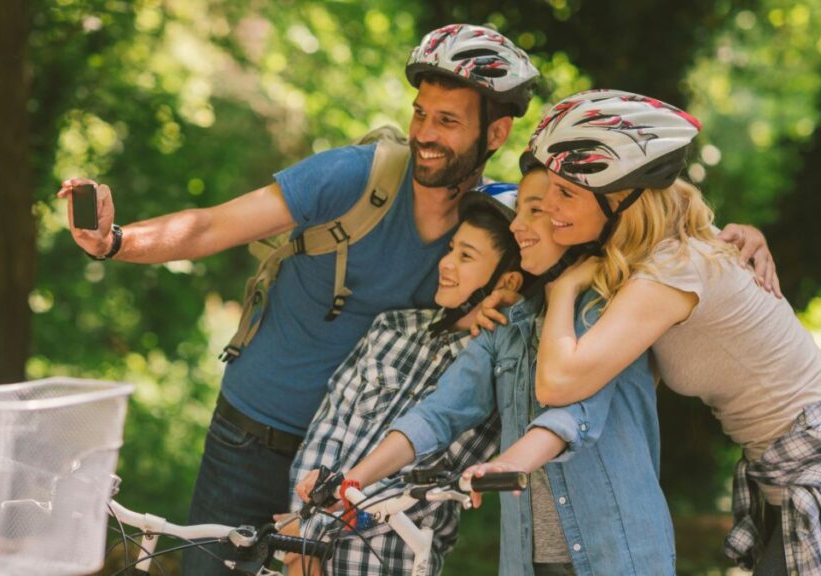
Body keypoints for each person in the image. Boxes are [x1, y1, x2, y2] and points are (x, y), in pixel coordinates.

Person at [59, 24, 541, 574]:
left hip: (355, 466)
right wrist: (115, 241)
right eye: (420, 113)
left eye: (448, 121)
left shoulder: (493, 232)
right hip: (255, 437)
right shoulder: (351, 176)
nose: (425, 133)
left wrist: (490, 306)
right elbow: (211, 226)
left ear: (497, 132)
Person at [297, 167, 676, 575]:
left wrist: (508, 463)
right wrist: (352, 480)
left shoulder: (608, 312)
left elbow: (575, 413)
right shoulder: (507, 326)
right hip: (529, 560)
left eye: (535, 211)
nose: (517, 225)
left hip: (616, 554)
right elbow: (437, 412)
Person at [525, 89, 821, 575]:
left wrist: (563, 290)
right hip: (784, 475)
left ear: (620, 198)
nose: (549, 205)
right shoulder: (672, 252)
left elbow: (557, 383)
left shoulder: (673, 268)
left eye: (567, 193)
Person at [285, 186, 522, 576]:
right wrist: (302, 531)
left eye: (466, 256)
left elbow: (425, 482)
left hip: (386, 562)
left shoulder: (499, 372)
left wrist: (313, 531)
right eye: (450, 250)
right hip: (303, 548)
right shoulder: (390, 328)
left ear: (508, 281)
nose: (446, 264)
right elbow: (327, 430)